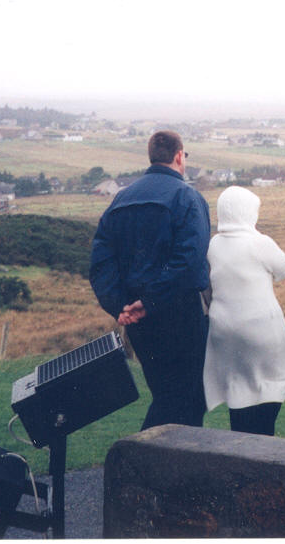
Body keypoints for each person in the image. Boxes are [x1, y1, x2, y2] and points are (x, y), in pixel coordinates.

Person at [89, 130, 210, 429]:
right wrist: (151, 300)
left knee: (166, 392)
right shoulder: (187, 197)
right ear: (179, 156)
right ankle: (141, 454)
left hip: (137, 319)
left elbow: (101, 262)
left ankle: (165, 455)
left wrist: (119, 305)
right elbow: (189, 261)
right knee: (185, 398)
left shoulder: (121, 200)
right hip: (179, 313)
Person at [204, 186, 285, 436]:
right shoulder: (259, 242)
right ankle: (262, 444)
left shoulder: (213, 244)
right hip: (260, 327)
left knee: (238, 389)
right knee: (271, 386)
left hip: (223, 329)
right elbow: (284, 268)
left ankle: (242, 446)